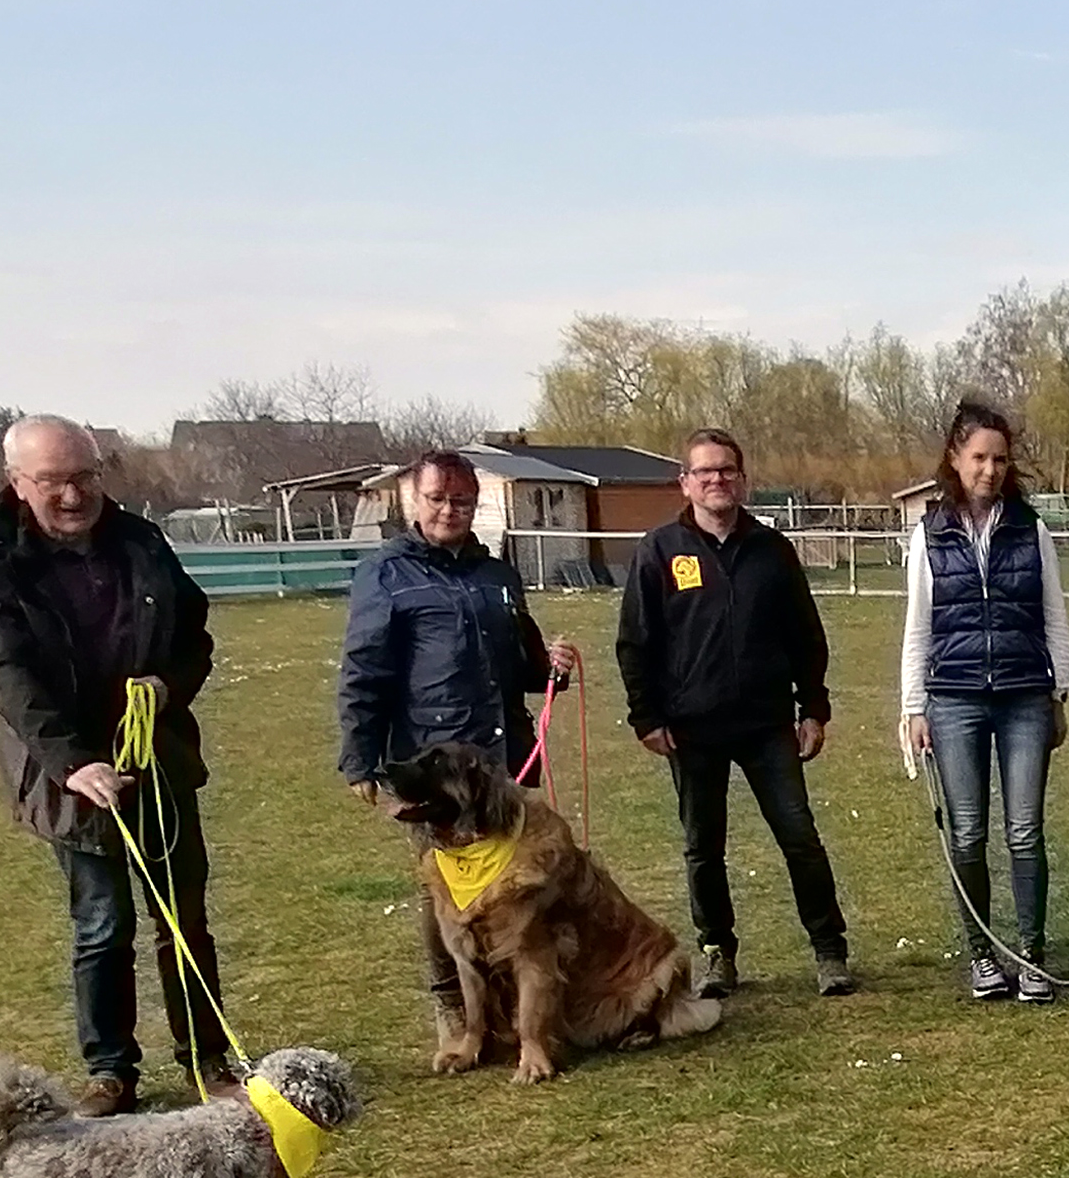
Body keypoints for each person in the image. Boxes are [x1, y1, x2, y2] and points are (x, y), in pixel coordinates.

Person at [0, 415, 223, 1116]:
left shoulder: (141, 542)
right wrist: (74, 763)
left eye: (85, 476)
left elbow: (194, 634)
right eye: (53, 481)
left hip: (156, 755)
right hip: (69, 769)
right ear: (17, 482)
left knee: (183, 917)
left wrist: (169, 684)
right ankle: (111, 1072)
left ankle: (207, 1056)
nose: (73, 495)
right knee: (102, 922)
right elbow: (6, 672)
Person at [336, 450, 581, 1027]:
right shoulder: (385, 574)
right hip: (432, 765)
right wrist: (359, 759)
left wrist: (554, 668)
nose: (450, 510)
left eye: (462, 501)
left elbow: (524, 666)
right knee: (444, 886)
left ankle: (512, 1001)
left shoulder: (497, 574)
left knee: (514, 879)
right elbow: (364, 669)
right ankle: (451, 1003)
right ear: (412, 501)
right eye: (438, 498)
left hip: (499, 759)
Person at [615, 428, 854, 1000]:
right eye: (704, 472)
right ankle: (717, 953)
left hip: (768, 724)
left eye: (725, 470)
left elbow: (806, 636)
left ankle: (830, 951)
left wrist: (813, 707)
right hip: (692, 729)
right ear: (686, 482)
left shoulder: (773, 550)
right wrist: (646, 717)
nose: (716, 480)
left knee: (800, 838)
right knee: (704, 847)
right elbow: (634, 642)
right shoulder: (659, 550)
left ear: (741, 479)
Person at [901, 400, 1069, 1003]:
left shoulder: (1032, 530)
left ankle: (1032, 956)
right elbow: (918, 626)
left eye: (1000, 458)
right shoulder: (928, 535)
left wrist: (1059, 693)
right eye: (979, 457)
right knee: (968, 834)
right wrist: (913, 706)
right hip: (953, 700)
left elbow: (1054, 615)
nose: (990, 469)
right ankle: (981, 955)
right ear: (955, 459)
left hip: (1025, 695)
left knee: (1025, 831)